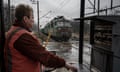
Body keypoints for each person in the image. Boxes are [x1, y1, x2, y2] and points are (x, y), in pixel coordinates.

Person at [4, 4, 77, 72]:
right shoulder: (22, 36)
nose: (33, 20)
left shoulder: (15, 31)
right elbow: (45, 57)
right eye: (32, 17)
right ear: (25, 19)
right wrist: (65, 64)